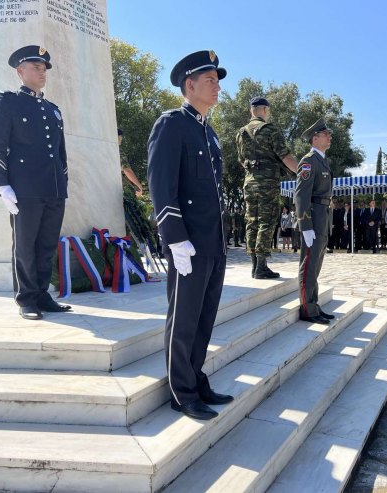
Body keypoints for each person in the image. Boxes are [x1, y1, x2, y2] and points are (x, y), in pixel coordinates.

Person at [147, 50, 233, 421]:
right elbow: (161, 185)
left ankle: (196, 378)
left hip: (213, 241)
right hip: (188, 243)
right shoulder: (171, 124)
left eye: (218, 81)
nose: (217, 87)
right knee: (183, 319)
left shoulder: (208, 131)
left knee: (204, 317)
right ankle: (181, 392)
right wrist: (174, 237)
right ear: (190, 84)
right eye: (211, 80)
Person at [0, 45, 71, 320]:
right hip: (24, 187)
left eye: (44, 67)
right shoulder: (7, 102)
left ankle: (42, 294)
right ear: (20, 70)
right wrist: (1, 184)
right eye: (36, 67)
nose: (42, 71)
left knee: (46, 245)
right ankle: (26, 298)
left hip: (54, 187)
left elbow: (60, 151)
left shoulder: (52, 109)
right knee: (25, 244)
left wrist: (63, 180)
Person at [236, 96, 298, 278]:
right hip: (267, 183)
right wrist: (302, 173)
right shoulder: (270, 130)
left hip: (249, 183)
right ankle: (261, 266)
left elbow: (241, 160)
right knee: (266, 221)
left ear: (251, 110)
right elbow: (286, 157)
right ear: (264, 110)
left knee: (251, 222)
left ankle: (254, 265)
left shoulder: (241, 133)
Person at [295, 119, 334, 324]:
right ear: (315, 138)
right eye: (325, 134)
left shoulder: (322, 160)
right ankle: (307, 309)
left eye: (329, 134)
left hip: (322, 216)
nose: (329, 137)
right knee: (309, 263)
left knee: (316, 264)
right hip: (313, 219)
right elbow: (301, 196)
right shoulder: (309, 161)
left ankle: (314, 305)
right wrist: (305, 225)